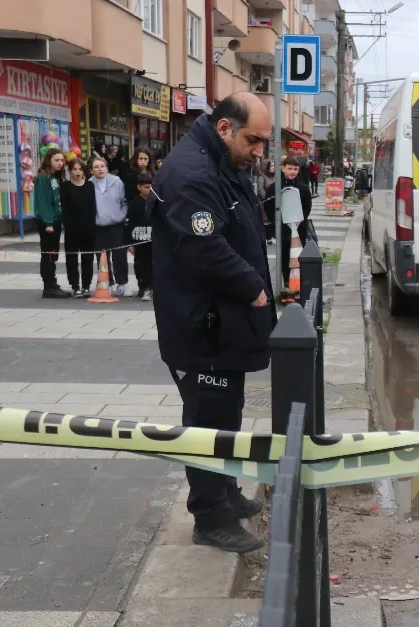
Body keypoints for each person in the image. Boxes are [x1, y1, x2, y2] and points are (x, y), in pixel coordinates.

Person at [148, 92, 276, 553]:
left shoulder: (221, 163)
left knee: (226, 415)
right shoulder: (192, 174)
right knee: (206, 421)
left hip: (221, 324)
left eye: (264, 141)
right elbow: (206, 248)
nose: (260, 150)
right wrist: (253, 287)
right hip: (201, 327)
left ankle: (224, 491)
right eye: (254, 140)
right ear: (224, 129)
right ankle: (210, 517)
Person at [91, 155, 132, 296]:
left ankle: (122, 284)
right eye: (96, 167)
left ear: (107, 168)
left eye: (102, 166)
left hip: (117, 225)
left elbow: (124, 201)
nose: (100, 169)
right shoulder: (89, 184)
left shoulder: (117, 182)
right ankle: (107, 283)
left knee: (120, 255)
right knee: (102, 257)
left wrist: (121, 216)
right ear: (91, 170)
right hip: (99, 226)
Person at [275, 155, 313, 302]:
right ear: (282, 168)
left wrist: (297, 225)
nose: (292, 172)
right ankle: (286, 288)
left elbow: (306, 208)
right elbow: (270, 208)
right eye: (289, 168)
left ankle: (297, 289)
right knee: (284, 260)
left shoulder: (303, 188)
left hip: (299, 231)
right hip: (282, 232)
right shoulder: (276, 187)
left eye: (295, 169)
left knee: (298, 260)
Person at [60, 157, 97, 297]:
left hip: (88, 227)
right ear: (70, 170)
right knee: (72, 258)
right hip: (72, 228)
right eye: (74, 169)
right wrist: (68, 224)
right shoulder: (65, 186)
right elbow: (64, 207)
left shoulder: (89, 186)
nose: (77, 172)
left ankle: (86, 285)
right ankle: (75, 286)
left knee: (87, 258)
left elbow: (93, 206)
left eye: (80, 169)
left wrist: (92, 223)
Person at [36, 148, 69, 298]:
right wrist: (48, 223)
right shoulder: (43, 177)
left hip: (55, 221)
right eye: (57, 160)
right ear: (49, 160)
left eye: (62, 160)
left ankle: (52, 283)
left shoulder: (55, 177)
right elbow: (44, 202)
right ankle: (48, 287)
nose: (60, 163)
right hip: (47, 223)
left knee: (53, 254)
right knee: (48, 255)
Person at [128, 172, 154, 301]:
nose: (149, 190)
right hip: (139, 241)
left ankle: (152, 287)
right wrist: (130, 243)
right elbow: (129, 224)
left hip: (153, 241)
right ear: (139, 187)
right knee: (140, 265)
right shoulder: (134, 204)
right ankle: (143, 287)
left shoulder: (155, 202)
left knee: (153, 264)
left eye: (151, 187)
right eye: (147, 187)